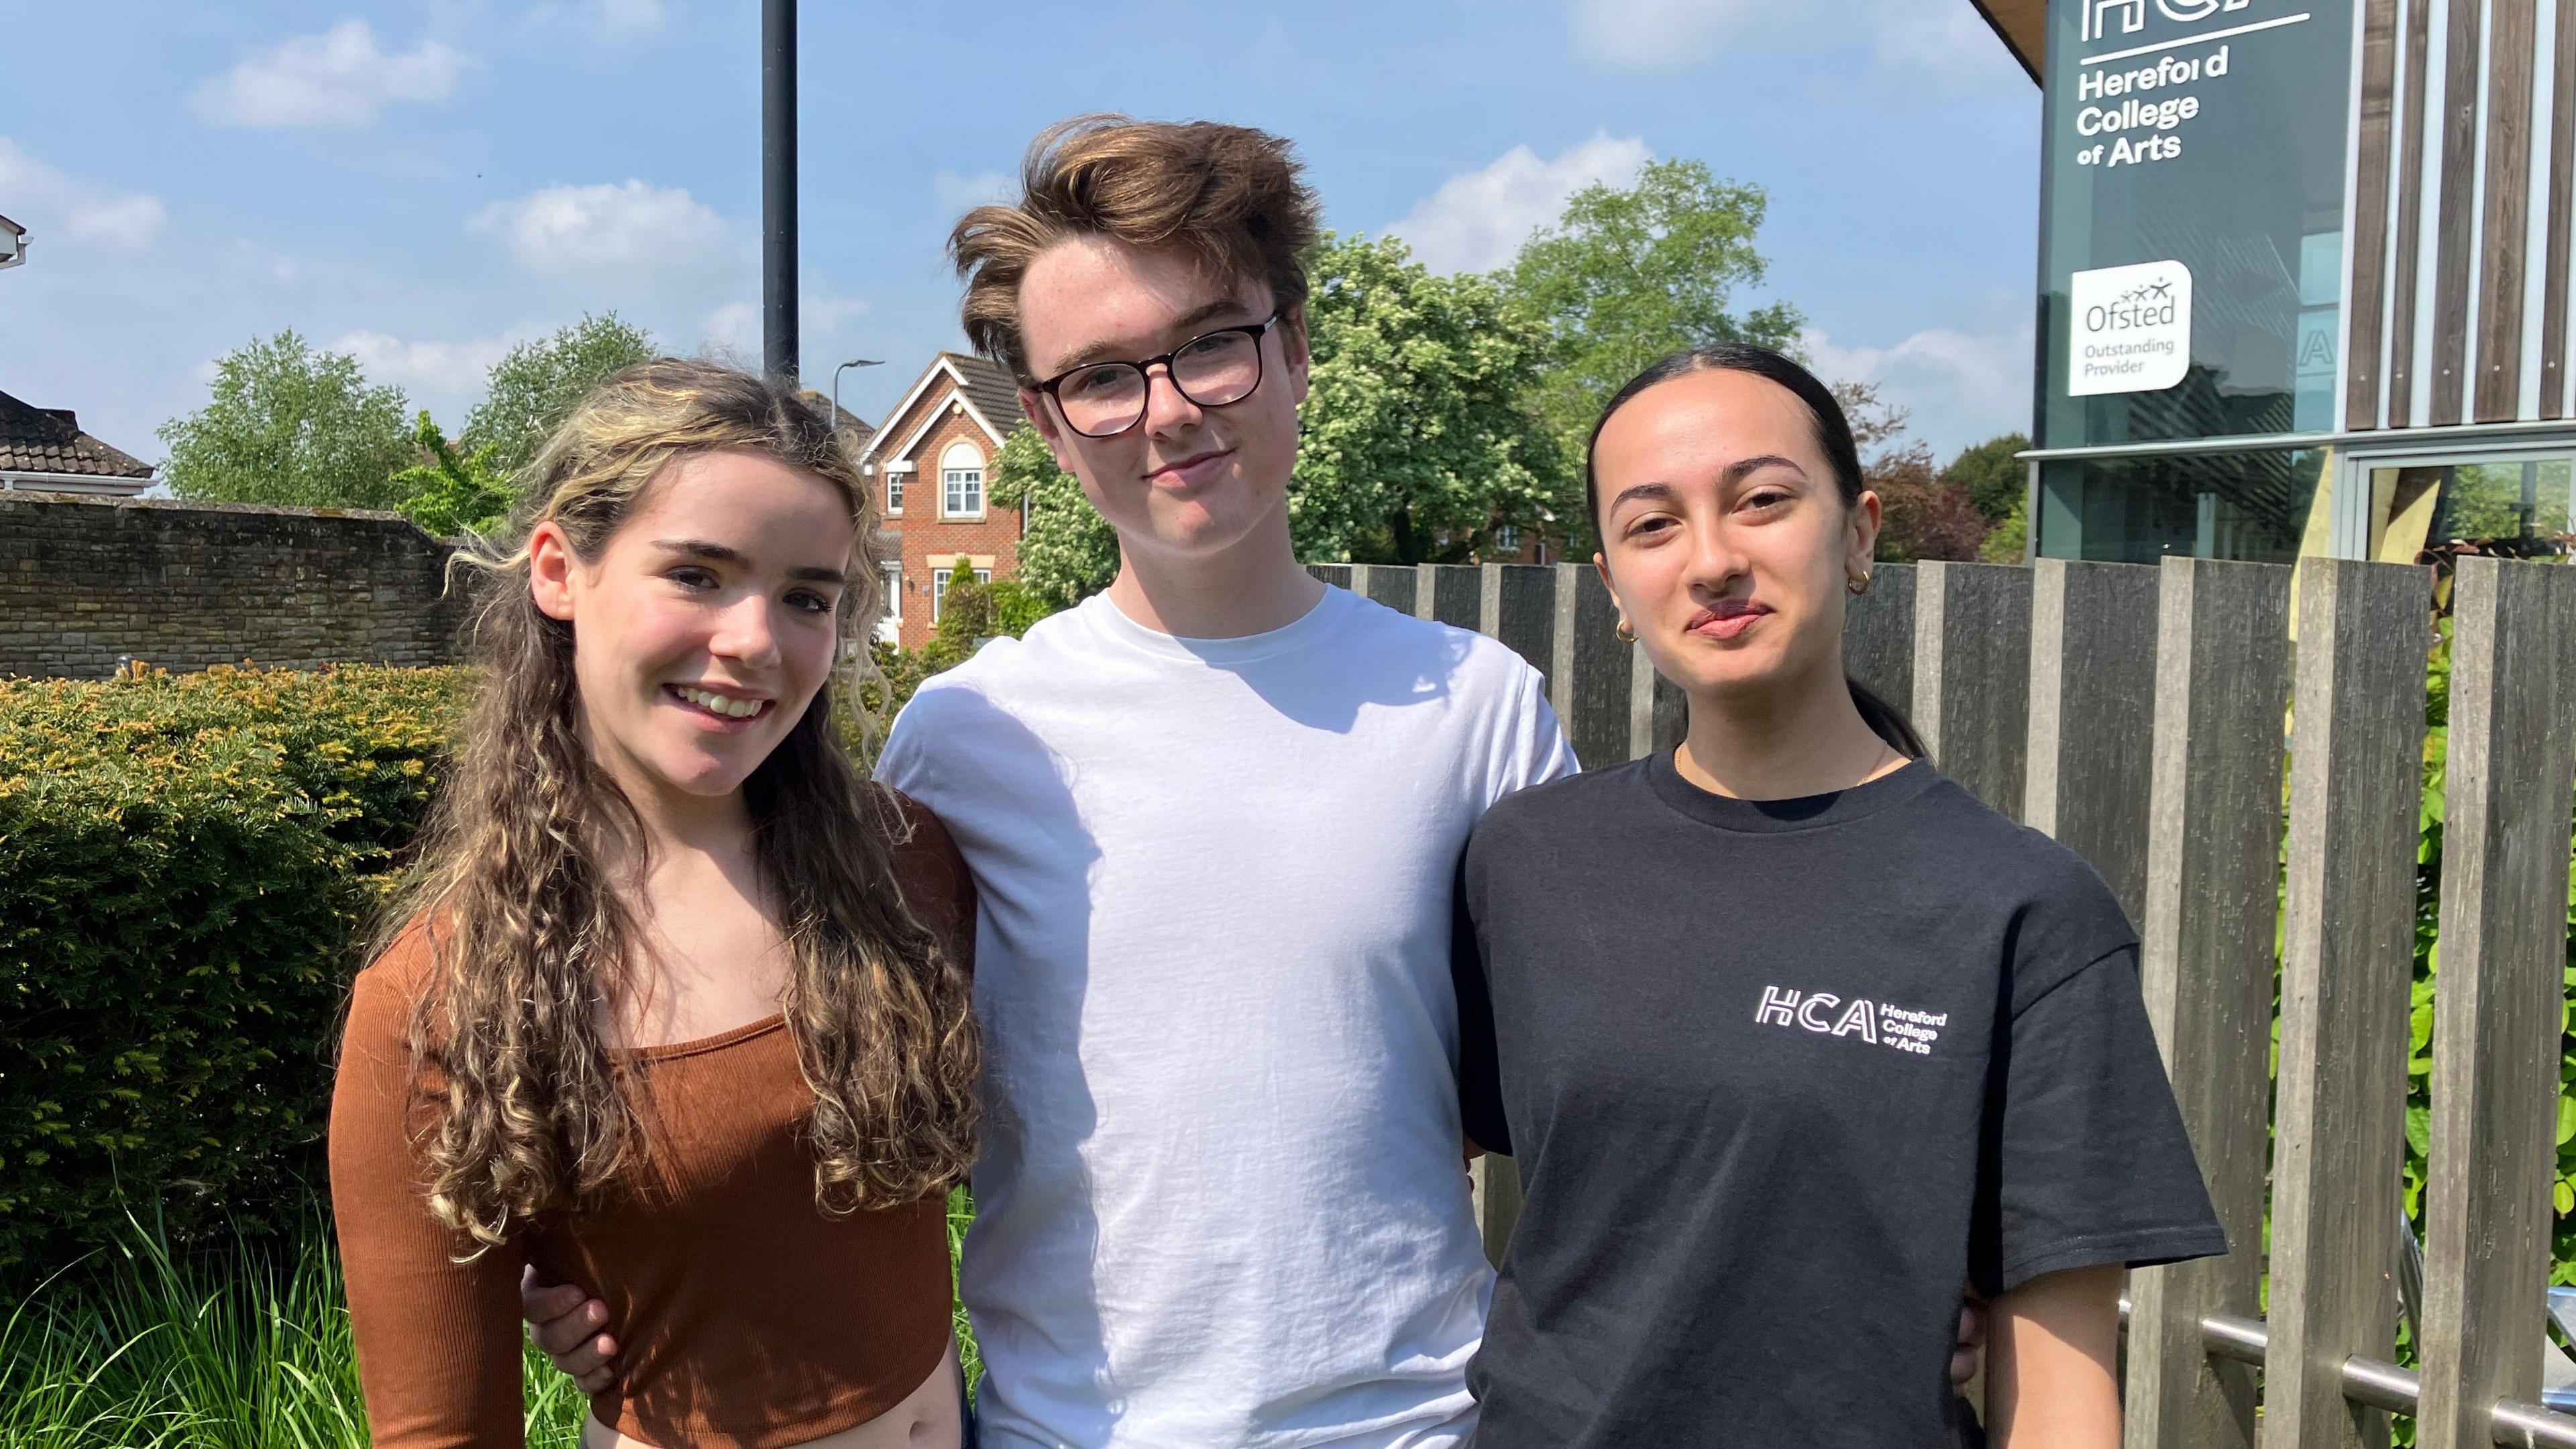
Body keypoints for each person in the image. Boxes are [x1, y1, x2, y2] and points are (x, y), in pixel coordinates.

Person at [525, 118, 1988, 1448]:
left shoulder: (1473, 709)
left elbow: (1619, 1094)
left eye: (1210, 345)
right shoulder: (970, 737)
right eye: (1099, 377)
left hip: (1420, 1425)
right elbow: (832, 1093)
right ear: (1040, 422)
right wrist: (625, 1262)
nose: (1166, 412)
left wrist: (1881, 1261)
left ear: (1291, 348)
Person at [1448, 343, 2228, 1448]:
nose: (1713, 559)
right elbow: (1425, 1164)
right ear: (1614, 586)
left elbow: (2058, 1394)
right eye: (1653, 524)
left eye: (1762, 501)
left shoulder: (2021, 911)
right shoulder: (1524, 864)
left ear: (1859, 532)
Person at [329, 360, 983, 1449]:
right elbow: (439, 1431)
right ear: (557, 571)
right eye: (696, 574)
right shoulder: (440, 1000)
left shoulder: (901, 862)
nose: (754, 642)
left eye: (806, 597)